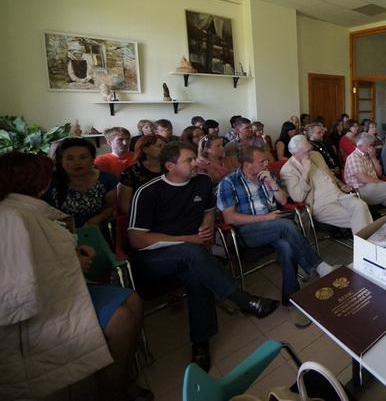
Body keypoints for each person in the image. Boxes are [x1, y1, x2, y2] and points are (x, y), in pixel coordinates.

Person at [0, 152, 148, 401]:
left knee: (132, 299)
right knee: (121, 320)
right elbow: (14, 287)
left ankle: (119, 379)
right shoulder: (10, 218)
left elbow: (43, 250)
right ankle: (113, 392)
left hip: (62, 289)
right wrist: (72, 263)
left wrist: (73, 252)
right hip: (43, 305)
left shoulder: (29, 210)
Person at [128, 142, 279, 371]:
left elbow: (208, 210)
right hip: (153, 257)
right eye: (188, 160)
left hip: (193, 251)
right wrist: (188, 239)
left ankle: (201, 343)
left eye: (194, 158)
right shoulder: (148, 192)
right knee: (192, 252)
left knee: (196, 274)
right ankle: (242, 299)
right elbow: (137, 239)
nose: (195, 163)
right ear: (170, 166)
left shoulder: (202, 181)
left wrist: (207, 225)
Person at [217, 144, 337, 328]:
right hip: (248, 231)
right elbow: (229, 217)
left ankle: (291, 300)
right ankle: (317, 265)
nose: (267, 163)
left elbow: (283, 200)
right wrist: (266, 218)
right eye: (262, 161)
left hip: (275, 225)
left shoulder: (268, 175)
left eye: (266, 160)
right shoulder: (229, 182)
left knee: (287, 247)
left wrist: (272, 184)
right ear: (247, 165)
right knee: (285, 225)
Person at [281, 135, 372, 234]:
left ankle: (366, 242)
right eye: (307, 151)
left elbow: (329, 174)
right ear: (295, 153)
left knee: (361, 205)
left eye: (310, 148)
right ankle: (368, 242)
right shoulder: (288, 170)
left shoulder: (316, 155)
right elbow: (298, 197)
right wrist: (305, 172)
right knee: (358, 216)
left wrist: (340, 184)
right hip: (321, 204)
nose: (310, 152)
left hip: (338, 194)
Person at [44, 138, 117, 229]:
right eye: (70, 158)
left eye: (83, 157)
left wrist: (97, 219)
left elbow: (110, 207)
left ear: (93, 159)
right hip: (56, 230)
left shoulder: (107, 180)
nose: (77, 163)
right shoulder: (48, 181)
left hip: (93, 229)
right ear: (60, 160)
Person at [118, 135, 167, 215]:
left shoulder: (170, 169)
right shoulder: (130, 172)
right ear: (145, 149)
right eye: (159, 146)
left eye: (165, 146)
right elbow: (124, 206)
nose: (164, 149)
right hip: (141, 215)